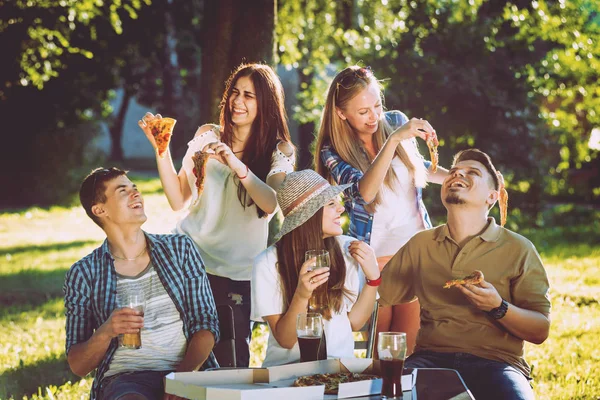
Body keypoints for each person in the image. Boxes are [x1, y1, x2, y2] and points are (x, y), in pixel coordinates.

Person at [138, 63, 295, 367]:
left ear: (266, 103)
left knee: (231, 364)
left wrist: (236, 165)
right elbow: (177, 198)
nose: (238, 101)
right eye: (234, 93)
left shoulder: (280, 150)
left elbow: (270, 202)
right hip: (190, 262)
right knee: (180, 359)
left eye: (249, 95)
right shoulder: (207, 134)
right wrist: (161, 149)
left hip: (236, 273)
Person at [379, 149, 551, 400]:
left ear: (491, 197)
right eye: (455, 171)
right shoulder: (421, 244)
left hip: (498, 364)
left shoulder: (519, 249)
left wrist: (498, 306)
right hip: (429, 360)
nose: (458, 173)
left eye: (472, 172)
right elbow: (381, 296)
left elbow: (540, 331)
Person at [314, 65, 448, 355]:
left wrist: (458, 177)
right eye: (363, 111)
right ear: (341, 113)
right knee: (381, 348)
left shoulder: (396, 122)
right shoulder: (332, 149)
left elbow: (416, 168)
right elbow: (364, 193)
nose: (374, 116)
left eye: (377, 105)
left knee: (407, 347)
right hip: (374, 258)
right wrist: (394, 140)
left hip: (414, 251)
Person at [64, 167, 219, 400]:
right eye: (122, 190)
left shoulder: (180, 249)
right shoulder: (84, 273)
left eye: (134, 188)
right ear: (100, 209)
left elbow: (206, 325)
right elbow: (78, 365)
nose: (136, 193)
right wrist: (107, 331)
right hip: (125, 379)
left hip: (187, 370)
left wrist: (181, 379)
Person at [251, 170, 380, 366]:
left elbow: (354, 323)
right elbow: (286, 341)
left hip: (339, 369)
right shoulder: (268, 262)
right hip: (288, 373)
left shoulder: (348, 250)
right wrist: (301, 296)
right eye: (330, 204)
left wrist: (373, 279)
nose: (341, 209)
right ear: (308, 215)